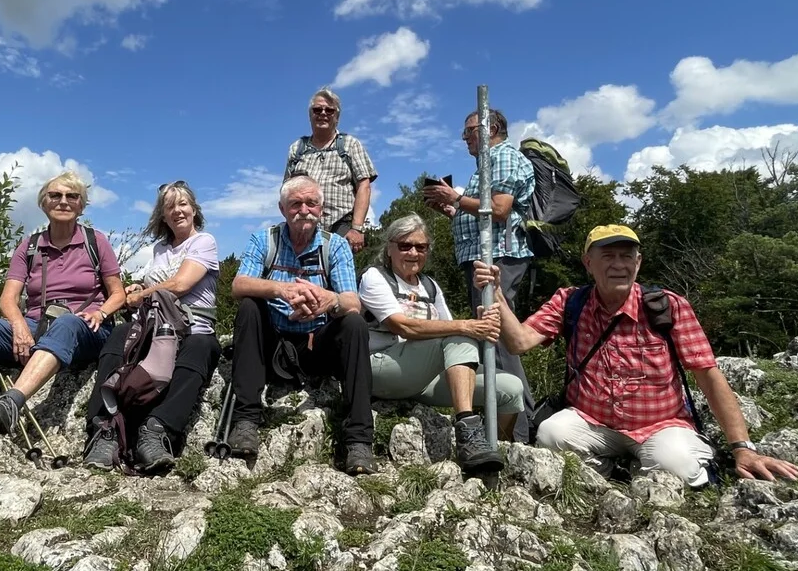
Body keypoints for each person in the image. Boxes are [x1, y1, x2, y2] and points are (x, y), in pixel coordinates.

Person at [473, 224, 798, 486]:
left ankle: (644, 465)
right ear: (588, 263)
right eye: (608, 255)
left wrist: (743, 449)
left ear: (638, 262)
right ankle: (611, 469)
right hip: (592, 422)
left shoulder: (667, 307)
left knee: (678, 466)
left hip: (661, 425)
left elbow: (708, 375)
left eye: (627, 256)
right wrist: (497, 294)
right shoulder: (570, 302)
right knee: (551, 434)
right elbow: (519, 342)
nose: (619, 264)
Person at [0, 171, 126, 433]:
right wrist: (18, 325)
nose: (63, 201)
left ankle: (11, 402)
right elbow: (8, 298)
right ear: (43, 203)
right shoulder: (29, 246)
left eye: (72, 196)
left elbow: (117, 293)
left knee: (67, 323)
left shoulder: (95, 241)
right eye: (55, 195)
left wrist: (101, 312)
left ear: (81, 205)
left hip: (86, 328)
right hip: (37, 326)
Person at [226, 175, 376, 475]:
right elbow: (239, 284)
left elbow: (352, 301)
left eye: (311, 203)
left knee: (355, 324)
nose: (303, 210)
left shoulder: (335, 247)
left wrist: (327, 299)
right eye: (295, 204)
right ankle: (246, 421)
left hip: (315, 343)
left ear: (321, 210)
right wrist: (282, 290)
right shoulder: (263, 239)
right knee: (249, 307)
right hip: (273, 343)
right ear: (283, 209)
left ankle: (359, 441)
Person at [359, 214, 523, 471]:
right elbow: (402, 325)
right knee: (460, 333)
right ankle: (468, 432)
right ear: (389, 248)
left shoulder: (430, 286)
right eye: (404, 245)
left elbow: (451, 334)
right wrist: (467, 325)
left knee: (511, 389)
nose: (413, 252)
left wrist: (481, 316)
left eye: (421, 247)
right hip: (383, 366)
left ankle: (493, 452)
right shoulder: (375, 277)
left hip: (423, 376)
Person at [82, 181, 221, 473]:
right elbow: (154, 284)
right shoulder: (159, 248)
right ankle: (102, 428)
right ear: (162, 216)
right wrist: (138, 288)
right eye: (170, 207)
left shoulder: (203, 242)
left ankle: (157, 430)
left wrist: (140, 294)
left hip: (192, 325)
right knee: (119, 336)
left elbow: (180, 285)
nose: (177, 211)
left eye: (183, 204)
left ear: (194, 209)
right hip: (154, 325)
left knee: (200, 346)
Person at [423, 107, 536, 442]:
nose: (466, 139)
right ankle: (509, 423)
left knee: (498, 341)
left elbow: (499, 210)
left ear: (491, 129)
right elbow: (483, 213)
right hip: (483, 260)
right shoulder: (487, 164)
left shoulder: (501, 156)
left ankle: (517, 429)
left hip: (497, 261)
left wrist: (456, 197)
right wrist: (453, 209)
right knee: (493, 339)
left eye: (470, 131)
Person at [283, 87, 378, 253]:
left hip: (341, 227)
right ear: (310, 115)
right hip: (304, 228)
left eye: (329, 110)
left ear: (337, 117)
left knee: (338, 275)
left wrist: (356, 228)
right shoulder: (296, 148)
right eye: (317, 109)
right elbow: (286, 190)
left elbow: (365, 185)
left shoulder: (350, 145)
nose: (323, 113)